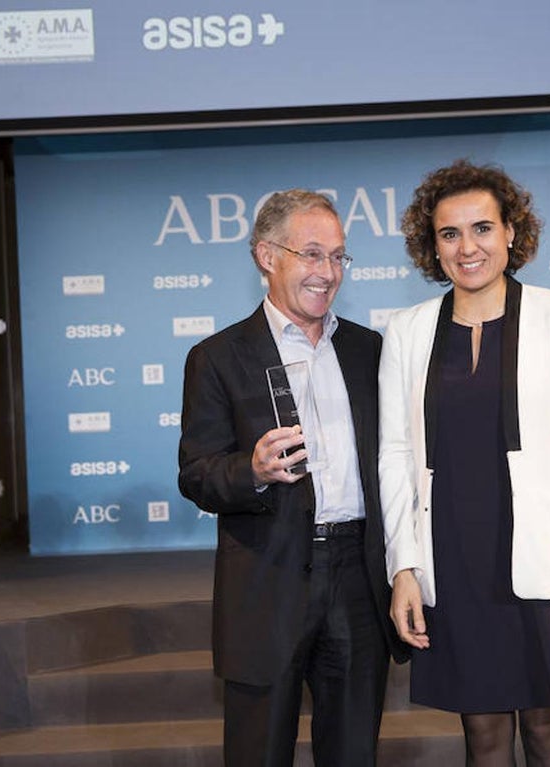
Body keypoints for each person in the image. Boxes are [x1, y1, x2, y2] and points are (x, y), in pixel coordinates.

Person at [378, 160, 550, 766]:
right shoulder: (406, 331)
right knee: (482, 740)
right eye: (449, 233)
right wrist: (403, 567)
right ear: (432, 246)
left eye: (482, 228)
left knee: (548, 734)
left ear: (511, 231)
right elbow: (396, 456)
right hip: (454, 559)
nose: (468, 248)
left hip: (545, 561)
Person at [178, 189, 407, 766]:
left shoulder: (368, 349)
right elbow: (197, 474)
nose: (327, 272)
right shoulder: (218, 356)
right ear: (266, 256)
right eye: (311, 254)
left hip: (358, 579)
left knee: (353, 753)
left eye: (338, 256)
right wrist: (252, 470)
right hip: (267, 579)